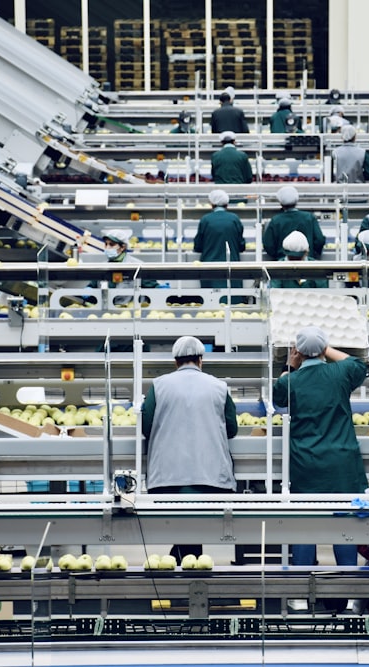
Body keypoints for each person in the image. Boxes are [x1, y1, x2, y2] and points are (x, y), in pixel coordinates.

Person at [272, 326, 367, 609]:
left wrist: (291, 364)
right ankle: (349, 596)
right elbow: (359, 364)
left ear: (297, 351)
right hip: (341, 462)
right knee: (346, 525)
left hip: (306, 462)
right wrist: (325, 349)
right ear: (324, 348)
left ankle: (301, 596)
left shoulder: (291, 380)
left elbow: (279, 399)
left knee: (305, 525)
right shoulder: (340, 373)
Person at [142, 336, 238, 562]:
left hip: (166, 481)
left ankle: (182, 574)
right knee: (192, 529)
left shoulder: (158, 385)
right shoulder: (219, 387)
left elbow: (147, 427)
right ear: (200, 360)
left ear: (176, 361)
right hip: (211, 480)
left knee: (185, 529)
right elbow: (232, 429)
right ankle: (188, 575)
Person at [193, 189, 246, 290]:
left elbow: (198, 246)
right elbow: (241, 245)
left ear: (212, 204)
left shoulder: (206, 219)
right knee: (233, 299)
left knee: (211, 300)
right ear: (227, 204)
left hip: (209, 268)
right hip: (231, 266)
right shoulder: (234, 219)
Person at [262, 186, 325, 261]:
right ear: (296, 201)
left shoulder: (276, 220)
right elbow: (319, 240)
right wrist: (312, 254)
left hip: (282, 264)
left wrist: (278, 256)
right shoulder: (309, 218)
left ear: (281, 203)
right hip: (307, 263)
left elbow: (268, 245)